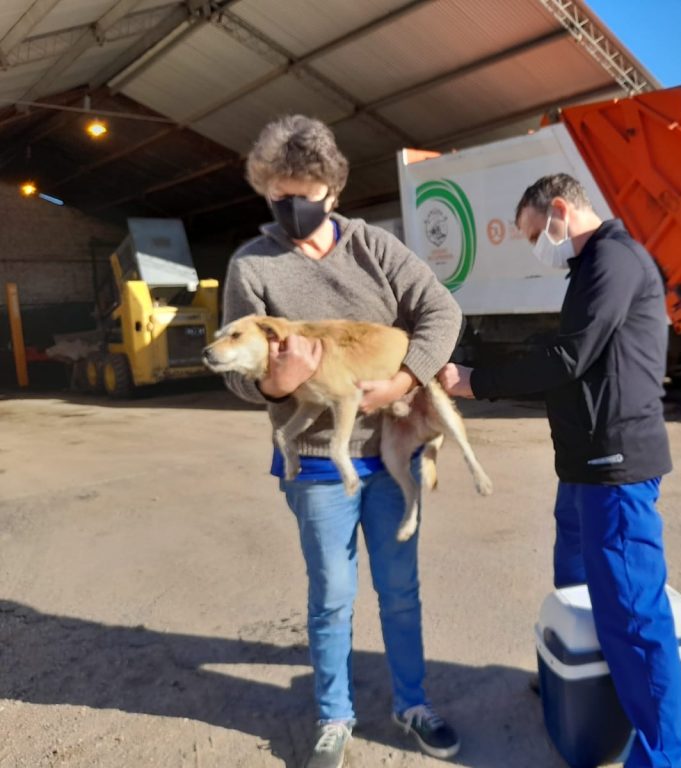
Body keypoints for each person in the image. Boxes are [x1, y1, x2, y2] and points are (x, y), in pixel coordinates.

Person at [219, 115, 462, 768]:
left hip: (390, 452)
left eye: (305, 192)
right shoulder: (252, 267)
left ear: (334, 190)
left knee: (400, 588)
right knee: (330, 596)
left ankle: (412, 702)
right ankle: (335, 715)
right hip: (318, 463)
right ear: (264, 188)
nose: (292, 206)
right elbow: (240, 376)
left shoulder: (373, 249)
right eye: (278, 192)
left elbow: (442, 309)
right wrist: (277, 387)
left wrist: (405, 379)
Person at [438, 173, 681, 767]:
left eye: (534, 233)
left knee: (632, 613)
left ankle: (660, 759)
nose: (536, 246)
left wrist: (479, 383)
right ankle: (576, 676)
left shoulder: (615, 260)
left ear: (559, 209)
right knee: (577, 579)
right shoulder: (592, 266)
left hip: (616, 465)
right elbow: (565, 349)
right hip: (584, 464)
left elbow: (570, 356)